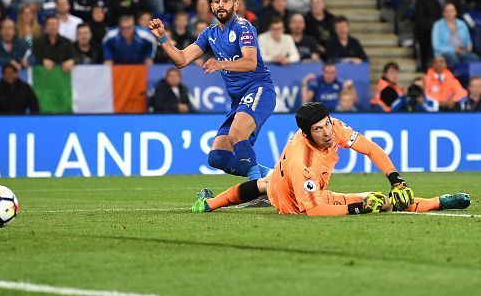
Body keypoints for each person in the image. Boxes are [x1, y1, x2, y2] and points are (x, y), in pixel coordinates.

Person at [191, 102, 470, 215]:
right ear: (306, 132)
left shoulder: (334, 128)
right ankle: (439, 203)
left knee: (265, 184)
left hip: (280, 180)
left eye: (326, 124)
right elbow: (312, 211)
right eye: (318, 129)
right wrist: (358, 208)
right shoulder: (303, 160)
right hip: (297, 203)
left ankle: (208, 203)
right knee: (376, 201)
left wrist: (396, 179)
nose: (326, 133)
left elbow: (371, 148)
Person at [148, 0, 276, 180]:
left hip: (259, 89)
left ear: (235, 4)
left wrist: (220, 63)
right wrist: (163, 38)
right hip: (239, 100)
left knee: (236, 135)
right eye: (217, 1)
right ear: (211, 6)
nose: (221, 4)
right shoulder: (210, 34)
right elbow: (181, 60)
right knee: (217, 157)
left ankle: (257, 190)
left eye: (226, 0)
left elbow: (250, 62)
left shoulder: (243, 26)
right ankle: (274, 179)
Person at [414, 0, 461, 70]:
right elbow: (420, 18)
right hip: (431, 29)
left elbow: (460, 12)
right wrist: (438, 26)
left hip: (452, 29)